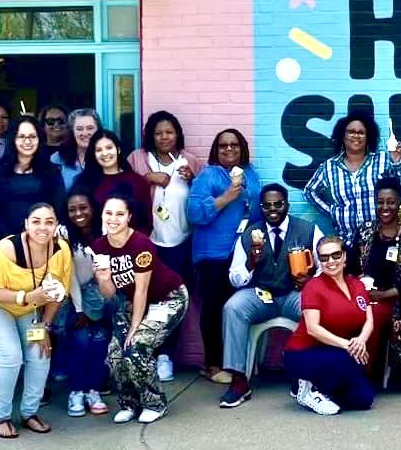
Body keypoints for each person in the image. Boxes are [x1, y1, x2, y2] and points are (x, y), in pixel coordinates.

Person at [0, 203, 73, 439]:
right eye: (36, 221)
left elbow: (58, 293)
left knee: (41, 352)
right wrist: (28, 297)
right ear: (26, 224)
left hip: (26, 308)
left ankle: (29, 413)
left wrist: (44, 326)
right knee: (10, 356)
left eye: (49, 222)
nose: (42, 227)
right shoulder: (7, 249)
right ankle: (1, 417)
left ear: (56, 225)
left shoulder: (61, 249)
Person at [215, 184, 323, 408]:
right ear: (261, 207)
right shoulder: (249, 234)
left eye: (278, 204)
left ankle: (303, 375)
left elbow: (327, 266)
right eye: (267, 206)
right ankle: (238, 379)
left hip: (294, 294)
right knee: (233, 308)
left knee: (315, 309)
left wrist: (311, 282)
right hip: (261, 295)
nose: (273, 210)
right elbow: (235, 278)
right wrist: (251, 262)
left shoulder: (307, 230)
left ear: (287, 205)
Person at [92, 194, 189, 424]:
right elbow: (109, 294)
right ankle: (129, 404)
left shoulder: (141, 244)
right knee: (115, 354)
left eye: (119, 214)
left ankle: (155, 403)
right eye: (108, 213)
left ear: (129, 217)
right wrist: (104, 278)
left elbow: (142, 290)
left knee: (136, 347)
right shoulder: (99, 246)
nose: (113, 219)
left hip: (167, 298)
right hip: (130, 303)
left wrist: (136, 326)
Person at [127, 111, 201, 381]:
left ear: (177, 134)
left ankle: (166, 356)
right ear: (150, 135)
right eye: (158, 133)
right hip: (147, 243)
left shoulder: (189, 160)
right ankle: (145, 352)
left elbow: (202, 198)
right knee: (144, 299)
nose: (164, 137)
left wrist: (193, 179)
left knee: (175, 302)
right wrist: (148, 178)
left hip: (181, 242)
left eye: (169, 132)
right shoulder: (137, 159)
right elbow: (126, 189)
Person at [187, 128, 261, 383]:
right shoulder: (208, 176)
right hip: (212, 254)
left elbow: (257, 211)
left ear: (242, 148)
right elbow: (194, 213)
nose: (229, 149)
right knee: (214, 308)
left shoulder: (250, 173)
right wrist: (226, 196)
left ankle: (235, 363)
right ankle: (212, 365)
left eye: (234, 145)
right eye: (223, 146)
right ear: (215, 151)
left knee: (235, 308)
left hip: (240, 252)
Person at [282, 235, 375, 415]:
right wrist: (348, 345)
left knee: (364, 400)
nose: (331, 261)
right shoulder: (313, 287)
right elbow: (313, 328)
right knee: (344, 359)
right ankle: (307, 387)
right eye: (324, 258)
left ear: (344, 256)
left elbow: (369, 320)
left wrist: (361, 340)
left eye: (336, 255)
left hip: (337, 353)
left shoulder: (357, 285)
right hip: (303, 353)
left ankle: (317, 386)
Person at [349, 177, 401, 381]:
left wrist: (386, 294)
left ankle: (364, 374)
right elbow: (350, 266)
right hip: (364, 296)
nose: (385, 207)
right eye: (380, 202)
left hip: (398, 299)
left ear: (399, 203)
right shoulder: (365, 231)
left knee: (371, 316)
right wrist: (361, 286)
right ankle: (342, 370)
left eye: (391, 202)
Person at [303, 112, 401, 240]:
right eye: (351, 132)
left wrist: (397, 162)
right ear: (343, 136)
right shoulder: (330, 167)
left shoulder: (382, 161)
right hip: (348, 242)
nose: (356, 136)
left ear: (368, 137)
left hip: (381, 241)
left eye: (361, 133)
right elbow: (309, 192)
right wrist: (332, 211)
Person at [59, 191, 112, 418]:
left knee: (99, 341)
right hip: (73, 301)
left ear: (93, 208)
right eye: (73, 209)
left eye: (83, 207)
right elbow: (69, 276)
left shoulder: (106, 230)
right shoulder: (62, 234)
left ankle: (93, 390)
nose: (79, 213)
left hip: (102, 300)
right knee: (81, 341)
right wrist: (81, 309)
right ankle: (76, 391)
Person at [0, 116, 66, 243]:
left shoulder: (52, 171)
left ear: (39, 139)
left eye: (32, 137)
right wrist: (11, 241)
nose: (27, 141)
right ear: (13, 139)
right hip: (5, 243)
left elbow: (59, 208)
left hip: (43, 241)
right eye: (21, 137)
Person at [77, 129, 153, 234]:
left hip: (131, 246)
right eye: (98, 150)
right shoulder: (84, 182)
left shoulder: (137, 182)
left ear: (118, 149)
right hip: (96, 246)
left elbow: (146, 221)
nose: (104, 153)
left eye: (109, 148)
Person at [51, 108, 101, 193]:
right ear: (72, 132)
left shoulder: (106, 156)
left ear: (98, 130)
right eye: (79, 129)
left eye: (90, 128)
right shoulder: (58, 158)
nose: (85, 133)